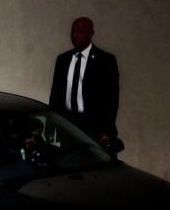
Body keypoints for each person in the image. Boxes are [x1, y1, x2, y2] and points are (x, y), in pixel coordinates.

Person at [48, 16, 121, 151]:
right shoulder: (63, 60)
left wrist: (106, 130)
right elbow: (55, 96)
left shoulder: (105, 60)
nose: (75, 35)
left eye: (80, 31)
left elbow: (111, 99)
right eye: (73, 31)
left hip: (95, 129)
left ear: (91, 34)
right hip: (68, 126)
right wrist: (52, 127)